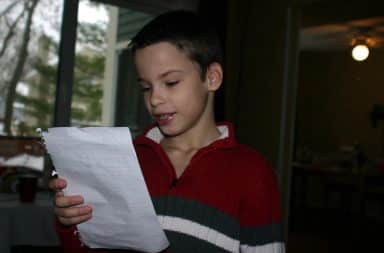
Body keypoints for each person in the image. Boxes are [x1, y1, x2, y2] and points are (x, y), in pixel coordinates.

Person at [49, 10, 285, 253]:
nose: (155, 99)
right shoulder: (126, 163)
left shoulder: (253, 174)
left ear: (212, 78)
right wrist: (71, 223)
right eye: (145, 87)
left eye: (171, 82)